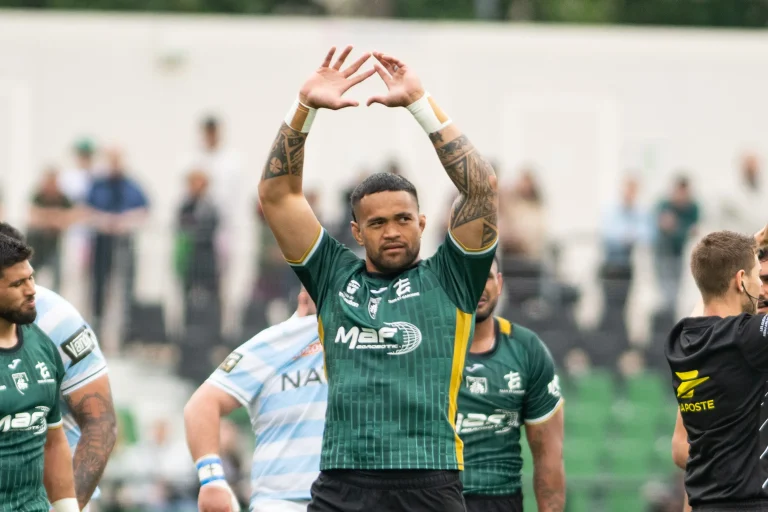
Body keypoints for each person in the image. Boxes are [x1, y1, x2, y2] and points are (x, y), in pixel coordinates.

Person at [257, 46, 498, 512]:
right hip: (343, 480)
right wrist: (304, 108)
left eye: (403, 219)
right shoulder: (331, 274)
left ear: (422, 223)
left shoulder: (452, 276)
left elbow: (482, 190)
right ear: (356, 232)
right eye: (378, 222)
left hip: (429, 477)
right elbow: (277, 196)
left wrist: (420, 104)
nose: (392, 231)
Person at [0, 222, 117, 511]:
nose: (29, 290)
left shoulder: (55, 320)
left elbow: (100, 423)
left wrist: (68, 506)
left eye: (28, 278)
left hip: (54, 496)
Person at [184, 289, 324, 512]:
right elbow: (201, 404)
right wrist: (212, 481)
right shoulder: (274, 342)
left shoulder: (365, 338)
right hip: (280, 503)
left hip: (350, 499)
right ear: (302, 295)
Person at [665, 226, 768, 511]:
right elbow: (681, 446)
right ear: (741, 280)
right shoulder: (747, 337)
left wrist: (747, 248)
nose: (762, 290)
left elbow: (710, 291)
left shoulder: (682, 339)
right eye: (759, 277)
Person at [458, 256, 565, 512]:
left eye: (486, 277)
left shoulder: (526, 348)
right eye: (467, 276)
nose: (478, 285)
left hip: (500, 500)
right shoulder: (423, 347)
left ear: (500, 284)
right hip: (433, 498)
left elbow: (549, 458)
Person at [0, 233, 78, 512]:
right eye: (18, 284)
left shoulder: (42, 346)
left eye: (31, 278)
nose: (32, 290)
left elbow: (53, 443)